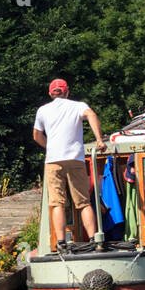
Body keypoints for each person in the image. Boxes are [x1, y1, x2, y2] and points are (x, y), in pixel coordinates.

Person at [33, 78, 106, 250]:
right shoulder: (78, 106)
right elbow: (91, 115)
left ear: (51, 93)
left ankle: (61, 243)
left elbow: (36, 135)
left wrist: (49, 146)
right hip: (75, 159)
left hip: (53, 161)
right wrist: (98, 140)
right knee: (83, 202)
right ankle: (95, 241)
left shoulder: (42, 110)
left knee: (57, 203)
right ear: (67, 92)